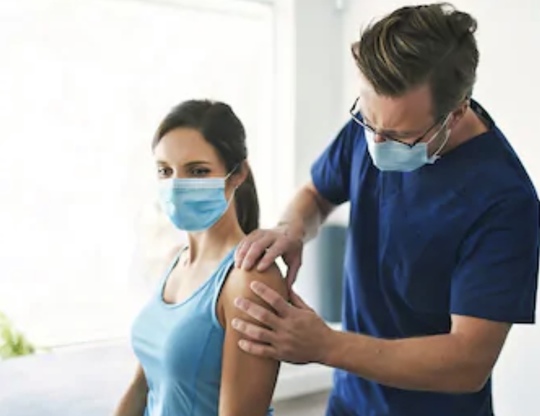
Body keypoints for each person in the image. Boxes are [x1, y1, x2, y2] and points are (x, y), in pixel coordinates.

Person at [231, 3, 540, 416]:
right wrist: (291, 227)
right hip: (348, 405)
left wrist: (324, 345)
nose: (375, 143)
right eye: (367, 120)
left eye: (398, 136)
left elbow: (468, 362)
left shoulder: (504, 201)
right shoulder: (378, 121)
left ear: (456, 112)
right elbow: (317, 193)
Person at [114, 99, 287, 416]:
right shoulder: (174, 263)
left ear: (237, 174)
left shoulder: (250, 278)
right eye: (165, 171)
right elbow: (143, 386)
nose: (177, 186)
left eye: (197, 171)